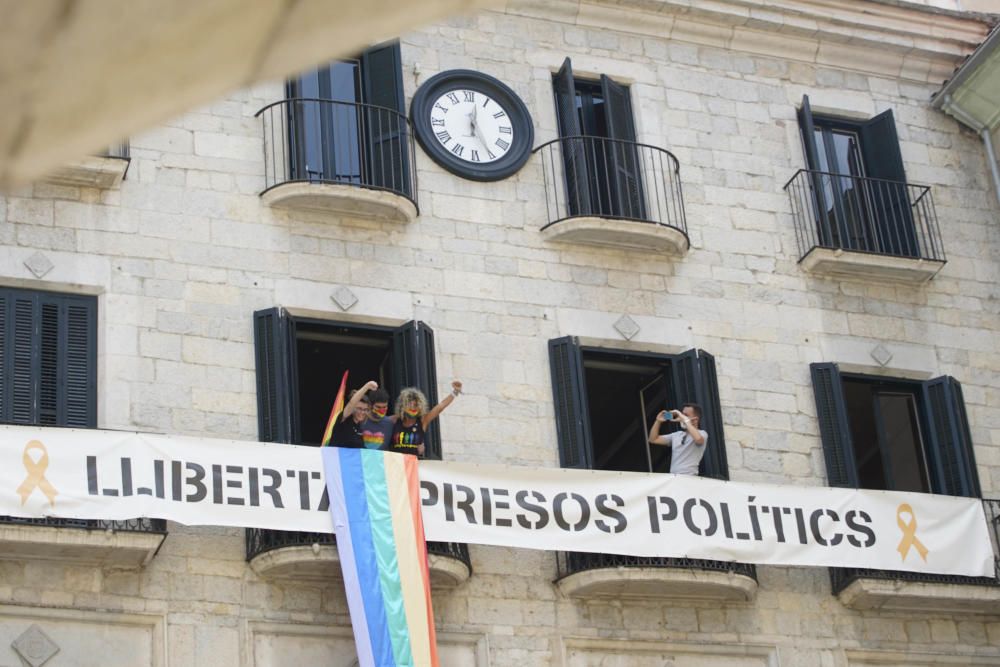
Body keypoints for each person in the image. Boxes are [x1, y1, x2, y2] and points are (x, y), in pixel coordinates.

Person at [387, 380, 463, 457]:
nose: (413, 407)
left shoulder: (423, 421)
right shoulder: (394, 420)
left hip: (415, 464)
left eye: (416, 405)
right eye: (409, 405)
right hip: (395, 464)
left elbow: (441, 406)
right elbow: (377, 422)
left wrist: (455, 392)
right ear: (402, 406)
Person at [647, 403, 707, 475]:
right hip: (674, 476)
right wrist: (658, 421)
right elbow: (653, 439)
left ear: (696, 420)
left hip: (689, 476)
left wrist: (686, 421)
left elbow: (698, 440)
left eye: (686, 415)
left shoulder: (702, 433)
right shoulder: (677, 435)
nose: (681, 417)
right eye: (682, 414)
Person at [329, 380, 377, 448]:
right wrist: (367, 386)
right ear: (353, 408)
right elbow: (352, 403)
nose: (362, 412)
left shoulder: (359, 427)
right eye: (359, 408)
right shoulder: (344, 419)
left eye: (365, 409)